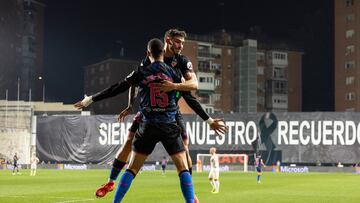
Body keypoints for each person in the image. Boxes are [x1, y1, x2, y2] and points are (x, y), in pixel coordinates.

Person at [75, 29, 226, 200]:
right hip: (157, 114)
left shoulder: (178, 62)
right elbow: (189, 90)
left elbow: (121, 86)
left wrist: (175, 88)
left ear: (150, 52)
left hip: (163, 113)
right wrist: (130, 105)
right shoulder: (167, 70)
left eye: (183, 43)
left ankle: (190, 193)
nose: (181, 46)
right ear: (167, 42)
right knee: (130, 142)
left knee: (180, 149)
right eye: (178, 42)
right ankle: (111, 181)